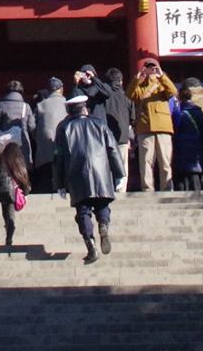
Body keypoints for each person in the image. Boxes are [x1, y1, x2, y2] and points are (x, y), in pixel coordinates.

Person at [57, 92, 121, 263]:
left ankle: (91, 245)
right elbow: (112, 148)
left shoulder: (64, 128)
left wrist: (59, 183)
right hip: (100, 171)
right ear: (85, 108)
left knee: (83, 211)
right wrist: (119, 173)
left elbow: (59, 157)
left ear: (70, 111)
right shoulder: (100, 124)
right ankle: (104, 225)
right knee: (102, 204)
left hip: (77, 174)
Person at [127, 57, 177, 191]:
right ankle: (147, 188)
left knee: (165, 161)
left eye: (154, 67)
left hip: (163, 127)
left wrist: (162, 76)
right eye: (149, 67)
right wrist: (138, 77)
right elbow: (129, 94)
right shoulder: (140, 86)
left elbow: (173, 91)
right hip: (145, 127)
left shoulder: (162, 85)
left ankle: (166, 187)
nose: (152, 69)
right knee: (145, 161)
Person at [172, 76, 203, 191]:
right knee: (196, 187)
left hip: (179, 153)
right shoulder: (199, 111)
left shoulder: (177, 112)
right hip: (196, 155)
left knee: (181, 186)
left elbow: (174, 131)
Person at [0, 135, 30, 248]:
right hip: (11, 191)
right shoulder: (17, 161)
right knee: (10, 213)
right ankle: (10, 231)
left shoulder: (0, 160)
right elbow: (23, 177)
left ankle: (8, 227)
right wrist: (25, 191)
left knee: (5, 210)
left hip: (1, 191)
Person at [32, 77, 68, 191]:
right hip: (65, 149)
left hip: (45, 151)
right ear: (61, 89)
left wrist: (38, 139)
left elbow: (32, 127)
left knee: (45, 181)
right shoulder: (68, 104)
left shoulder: (40, 105)